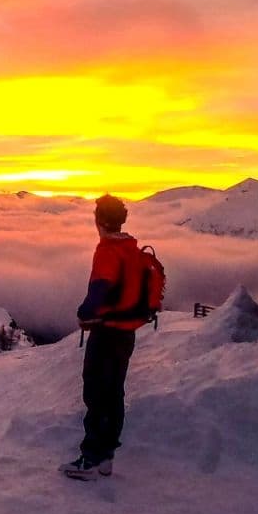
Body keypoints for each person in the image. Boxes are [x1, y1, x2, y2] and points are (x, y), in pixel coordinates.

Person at [60, 194, 148, 480]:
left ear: (99, 220)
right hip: (126, 333)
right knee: (114, 393)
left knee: (96, 393)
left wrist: (84, 313)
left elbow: (98, 292)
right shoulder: (131, 248)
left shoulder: (108, 251)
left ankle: (90, 459)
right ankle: (106, 456)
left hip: (107, 333)